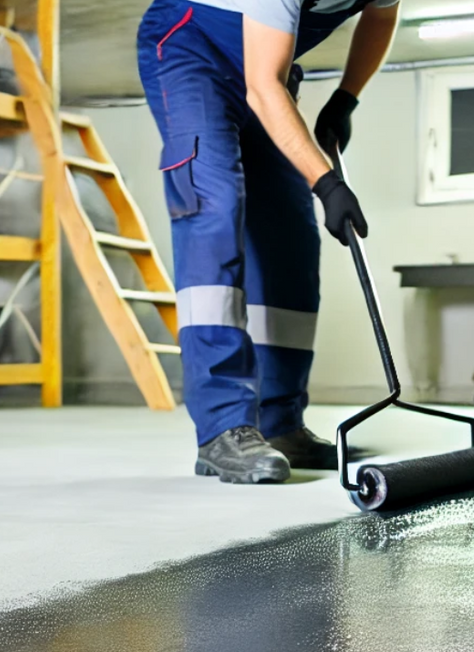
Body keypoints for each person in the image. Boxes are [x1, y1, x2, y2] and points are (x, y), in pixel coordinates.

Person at [136, 0, 396, 483]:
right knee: (214, 211)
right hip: (191, 50)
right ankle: (223, 427)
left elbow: (381, 16)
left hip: (265, 67)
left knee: (290, 235)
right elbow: (262, 86)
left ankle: (279, 422)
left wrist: (346, 98)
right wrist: (328, 183)